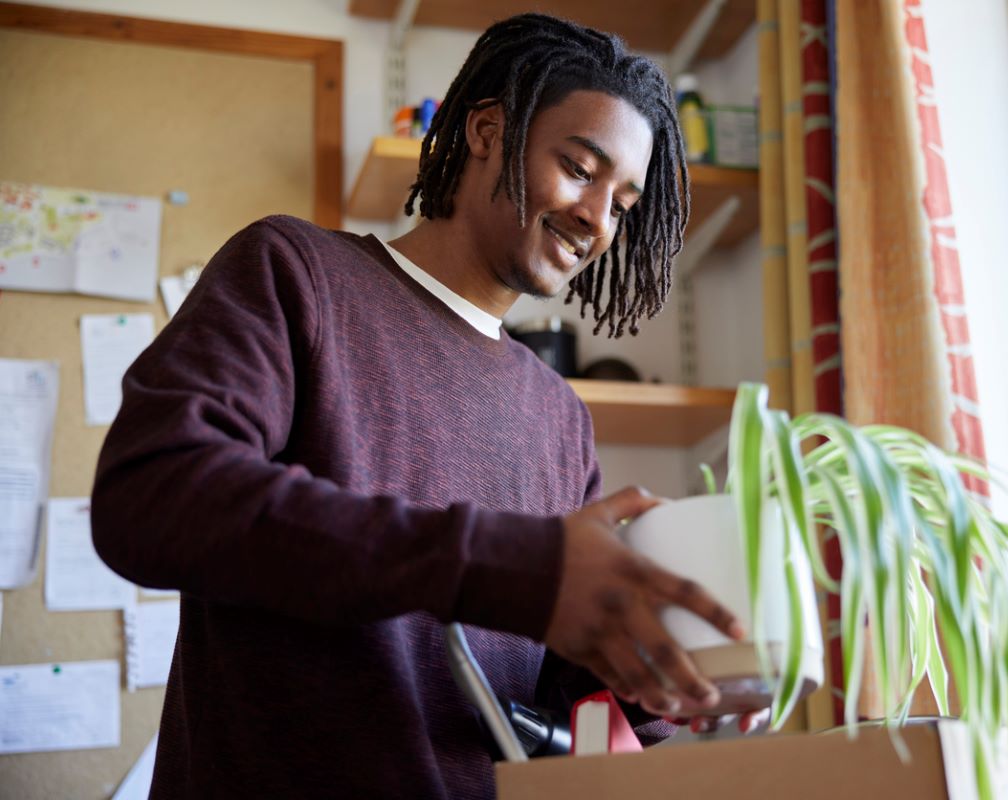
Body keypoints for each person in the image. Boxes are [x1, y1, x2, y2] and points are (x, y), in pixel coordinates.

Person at [92, 13, 755, 800]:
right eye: (580, 168)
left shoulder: (558, 415)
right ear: (485, 131)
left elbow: (561, 704)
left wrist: (668, 675)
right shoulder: (296, 274)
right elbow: (153, 494)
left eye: (623, 204)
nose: (596, 220)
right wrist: (510, 565)